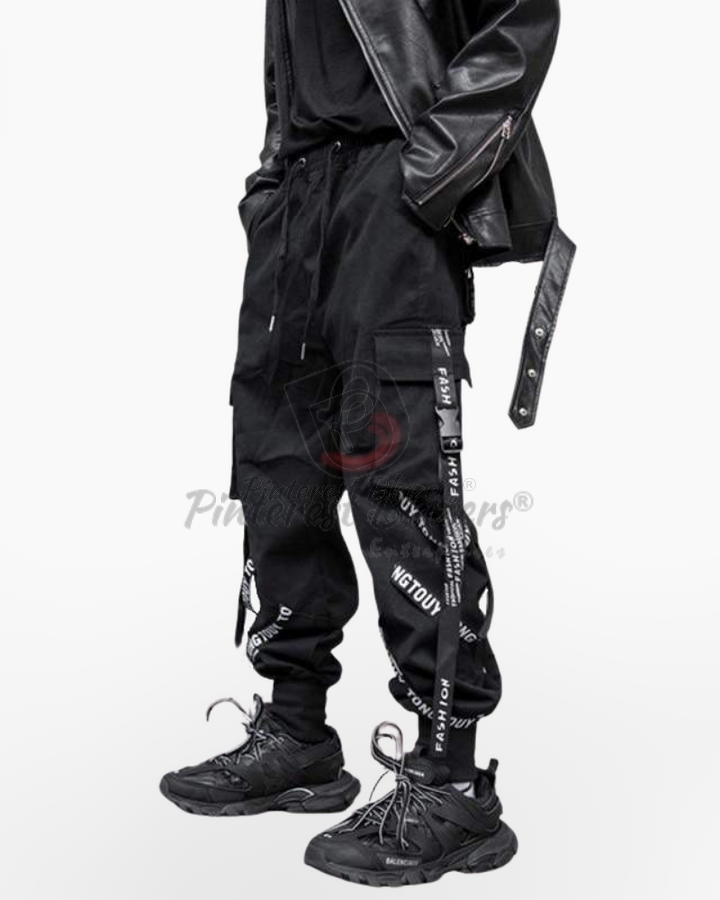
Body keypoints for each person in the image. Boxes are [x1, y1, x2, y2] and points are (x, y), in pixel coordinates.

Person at [160, 0, 574, 886]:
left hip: (397, 191)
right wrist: (271, 186)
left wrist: (431, 170)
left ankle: (452, 781)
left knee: (398, 478)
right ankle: (297, 730)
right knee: (277, 465)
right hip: (299, 199)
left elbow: (523, 18)